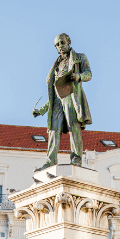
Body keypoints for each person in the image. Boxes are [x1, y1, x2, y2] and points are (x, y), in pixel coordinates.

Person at [32, 33, 93, 169]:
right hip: (58, 102)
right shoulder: (56, 65)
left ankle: (76, 158)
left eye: (61, 43)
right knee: (53, 130)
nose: (59, 46)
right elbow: (55, 93)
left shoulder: (80, 57)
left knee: (73, 127)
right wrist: (41, 110)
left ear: (69, 42)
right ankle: (50, 160)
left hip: (71, 97)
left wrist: (78, 76)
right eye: (57, 45)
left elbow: (89, 74)